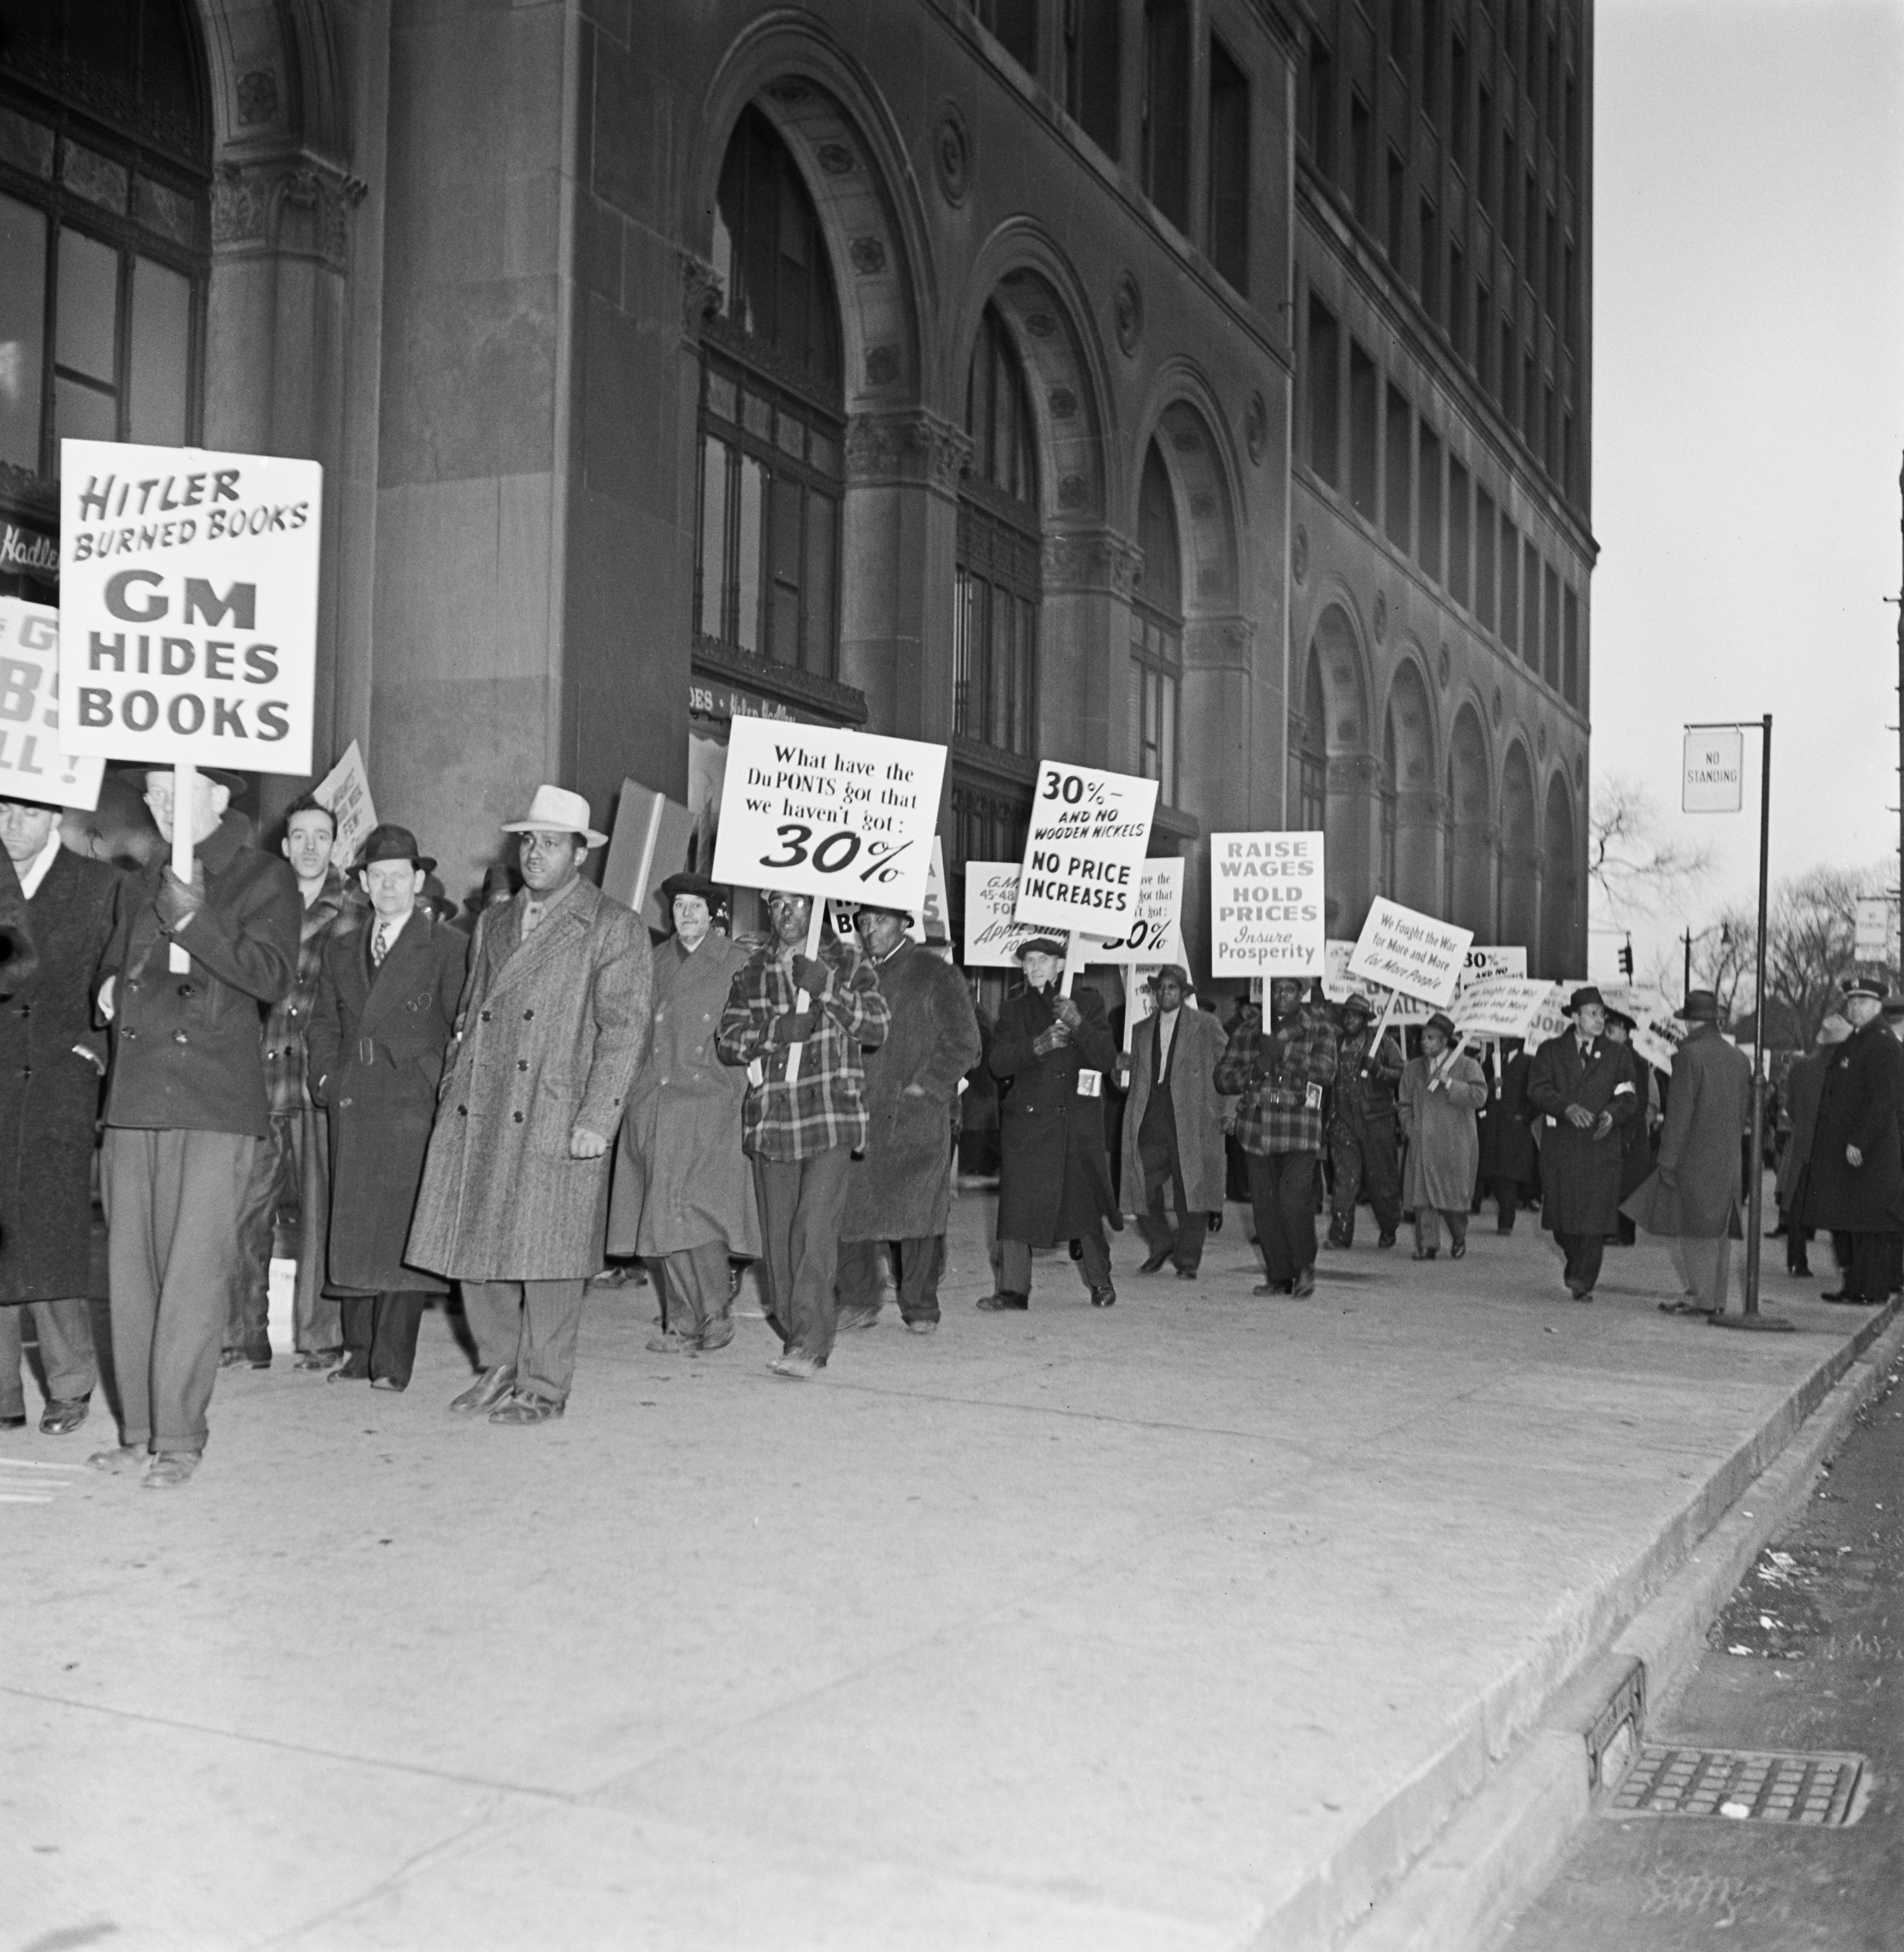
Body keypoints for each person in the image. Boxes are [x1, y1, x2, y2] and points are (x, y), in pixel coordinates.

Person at [407, 785, 653, 1422]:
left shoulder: (613, 926)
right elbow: (471, 1009)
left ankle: (543, 1385)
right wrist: (452, 1088)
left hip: (554, 1106)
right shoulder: (493, 920)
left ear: (580, 854)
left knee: (548, 1255)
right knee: (471, 1242)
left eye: (551, 843)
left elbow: (625, 1030)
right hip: (481, 1104)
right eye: (528, 840)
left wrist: (598, 1118)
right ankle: (499, 1362)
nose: (535, 853)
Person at [89, 766, 302, 1488]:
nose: (160, 801)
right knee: (131, 1273)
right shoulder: (138, 878)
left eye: (178, 786)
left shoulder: (263, 878)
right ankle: (140, 1429)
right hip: (136, 1097)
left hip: (211, 1101)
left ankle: (179, 1437)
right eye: (152, 790)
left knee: (191, 1277)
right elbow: (118, 963)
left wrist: (192, 919)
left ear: (220, 797)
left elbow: (271, 976)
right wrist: (109, 988)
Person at [307, 825, 468, 1390]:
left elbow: (459, 1026)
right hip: (353, 1096)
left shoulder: (447, 947)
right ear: (364, 883)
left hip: (410, 1101)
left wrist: (436, 1084)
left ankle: (392, 1362)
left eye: (400, 877)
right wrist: (327, 1078)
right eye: (379, 877)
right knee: (351, 1224)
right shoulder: (342, 947)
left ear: (419, 882)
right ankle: (357, 1351)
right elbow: (323, 1022)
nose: (390, 887)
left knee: (400, 1230)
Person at [716, 889, 889, 1376]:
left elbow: (877, 1027)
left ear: (817, 908)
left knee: (815, 1228)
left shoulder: (850, 962)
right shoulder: (752, 971)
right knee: (780, 1238)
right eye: (776, 904)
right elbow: (729, 1041)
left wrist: (827, 986)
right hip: (775, 1118)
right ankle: (797, 1328)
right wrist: (777, 1031)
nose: (786, 913)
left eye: (797, 903)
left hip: (831, 1114)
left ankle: (810, 1343)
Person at [229, 790, 361, 1373]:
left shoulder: (355, 910)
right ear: (285, 846)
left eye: (321, 836)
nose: (310, 846)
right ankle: (243, 1335)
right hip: (257, 1081)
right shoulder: (260, 905)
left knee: (319, 1216)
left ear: (336, 846)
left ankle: (319, 1335)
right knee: (243, 1215)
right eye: (300, 836)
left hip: (315, 1085)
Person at [0, 799, 118, 1436]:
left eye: (27, 811)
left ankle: (70, 1384)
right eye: (3, 810)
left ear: (56, 818)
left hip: (58, 1079)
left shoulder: (99, 885)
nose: (11, 823)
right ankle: (3, 1394)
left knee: (52, 1228)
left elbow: (119, 969)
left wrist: (96, 1048)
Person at [607, 871, 758, 1354]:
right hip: (656, 1103)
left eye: (696, 907)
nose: (687, 916)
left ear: (714, 915)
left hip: (711, 1103)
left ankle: (715, 1313)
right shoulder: (653, 963)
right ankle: (681, 1320)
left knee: (699, 1214)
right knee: (661, 1215)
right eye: (679, 908)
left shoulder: (737, 962)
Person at [836, 905, 981, 1333]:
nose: (870, 929)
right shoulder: (852, 975)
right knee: (851, 1211)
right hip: (858, 1113)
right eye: (863, 923)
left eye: (880, 920)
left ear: (903, 923)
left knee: (918, 1215)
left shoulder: (935, 974)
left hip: (913, 1116)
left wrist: (927, 1087)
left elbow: (966, 1042)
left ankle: (920, 1306)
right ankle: (858, 1301)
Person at [983, 938, 1121, 1311]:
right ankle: (1013, 1290)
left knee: (1083, 1205)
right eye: (1027, 961)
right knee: (1017, 1207)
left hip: (1076, 1123)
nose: (1033, 967)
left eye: (1042, 960)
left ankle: (1100, 1282)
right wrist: (1037, 1046)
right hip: (1029, 1124)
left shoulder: (1088, 1003)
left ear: (1061, 964)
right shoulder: (1014, 1010)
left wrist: (1078, 1023)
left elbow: (1106, 1059)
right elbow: (998, 1063)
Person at [1621, 990, 1755, 1317]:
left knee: (1694, 1230)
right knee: (1719, 1231)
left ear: (1692, 1022)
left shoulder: (1690, 1056)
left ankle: (1703, 1299)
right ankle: (1715, 1297)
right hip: (1728, 1157)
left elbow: (1680, 1115)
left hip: (1693, 1158)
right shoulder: (1739, 1058)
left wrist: (1667, 1160)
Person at [1215, 976, 1339, 1298]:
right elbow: (1223, 1078)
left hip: (1300, 1126)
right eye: (1277, 989)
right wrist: (1254, 1070)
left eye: (1290, 989)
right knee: (1265, 1208)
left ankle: (1304, 1267)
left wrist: (1285, 1053)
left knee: (1293, 1198)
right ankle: (1278, 1275)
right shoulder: (1248, 1030)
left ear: (1302, 993)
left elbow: (1326, 1073)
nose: (1282, 995)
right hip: (1257, 1129)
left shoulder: (1320, 1029)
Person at [1525, 986, 1640, 1301]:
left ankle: (1582, 1280)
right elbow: (1537, 1090)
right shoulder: (1550, 1051)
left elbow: (1629, 1096)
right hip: (1562, 1148)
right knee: (1563, 1223)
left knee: (1593, 1219)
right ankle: (1576, 1263)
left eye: (1602, 1014)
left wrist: (1612, 1116)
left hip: (1600, 1147)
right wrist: (1566, 1108)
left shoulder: (1619, 1055)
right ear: (1575, 1018)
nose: (1600, 1019)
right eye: (1592, 1014)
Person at [1119, 966, 1230, 1280]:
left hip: (1192, 1120)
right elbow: (1130, 1083)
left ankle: (1188, 1259)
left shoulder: (1206, 1026)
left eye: (1172, 988)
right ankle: (1162, 1242)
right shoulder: (1141, 1029)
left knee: (1191, 1189)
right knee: (1140, 1184)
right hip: (1152, 1119)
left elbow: (1230, 1068)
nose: (1165, 993)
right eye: (1161, 988)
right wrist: (1121, 1072)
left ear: (1184, 994)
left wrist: (1229, 1109)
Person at [1800, 974, 1904, 1308]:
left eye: (1862, 1003)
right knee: (1852, 1222)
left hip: (1868, 1153)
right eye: (1851, 1002)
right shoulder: (1858, 1040)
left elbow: (1883, 1100)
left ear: (1877, 1007)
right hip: (1851, 1151)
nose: (1855, 1008)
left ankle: (1867, 1290)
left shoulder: (1883, 1043)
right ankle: (1854, 1286)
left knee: (1868, 1226)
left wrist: (1860, 1140)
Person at [1398, 1013, 1487, 1260]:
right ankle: (1428, 1246)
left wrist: (1450, 1084)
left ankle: (1459, 1237)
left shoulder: (1468, 1066)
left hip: (1455, 1144)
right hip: (1423, 1144)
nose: (1424, 1043)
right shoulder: (1413, 1069)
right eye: (1423, 1037)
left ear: (1446, 1041)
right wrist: (1410, 1127)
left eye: (1431, 1038)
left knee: (1454, 1200)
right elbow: (1404, 1103)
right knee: (1423, 1198)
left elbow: (1480, 1097)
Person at [1325, 992, 1404, 1250]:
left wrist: (1379, 1070)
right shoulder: (1334, 1044)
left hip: (1376, 1121)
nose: (1349, 1019)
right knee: (1344, 1181)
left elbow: (1403, 1077)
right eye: (1346, 1014)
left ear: (1366, 1019)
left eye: (1355, 1015)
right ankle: (1341, 1234)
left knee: (1381, 1179)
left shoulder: (1385, 1045)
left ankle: (1389, 1227)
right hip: (1342, 1121)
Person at [1775, 1016, 1847, 1277]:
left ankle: (1797, 1261)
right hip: (1835, 1149)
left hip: (1803, 1147)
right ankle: (1847, 1265)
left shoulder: (1800, 1068)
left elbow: (1790, 1110)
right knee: (1841, 1211)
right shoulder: (1844, 1071)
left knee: (1798, 1208)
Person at [1602, 1008, 1657, 1247]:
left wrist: (1627, 1131)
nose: (1607, 1034)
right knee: (1616, 1183)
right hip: (1616, 1127)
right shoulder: (1611, 1055)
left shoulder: (1633, 1059)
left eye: (1611, 1030)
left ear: (1624, 1031)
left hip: (1629, 1132)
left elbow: (1638, 1099)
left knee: (1627, 1185)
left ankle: (1624, 1233)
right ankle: (1613, 1229)